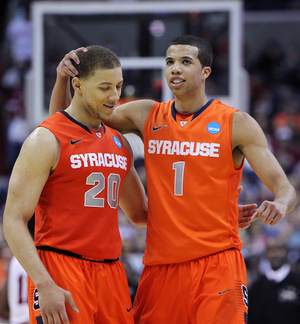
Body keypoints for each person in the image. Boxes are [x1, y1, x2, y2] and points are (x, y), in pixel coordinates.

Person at [49, 35, 297, 324]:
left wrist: (280, 204)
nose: (175, 68)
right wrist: (62, 80)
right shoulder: (145, 114)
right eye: (169, 62)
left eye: (185, 62)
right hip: (160, 268)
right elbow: (66, 129)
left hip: (216, 264)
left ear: (205, 72)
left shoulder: (236, 123)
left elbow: (285, 188)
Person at [3, 45, 148, 324]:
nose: (115, 96)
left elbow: (141, 213)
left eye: (118, 86)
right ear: (78, 85)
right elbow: (13, 220)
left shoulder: (120, 143)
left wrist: (211, 210)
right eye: (105, 87)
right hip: (61, 267)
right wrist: (44, 283)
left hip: (111, 273)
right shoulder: (45, 140)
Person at [248, 237, 300, 324]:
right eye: (271, 250)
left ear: (286, 252)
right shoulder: (257, 286)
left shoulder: (297, 282)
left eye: (279, 250)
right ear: (266, 254)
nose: (275, 255)